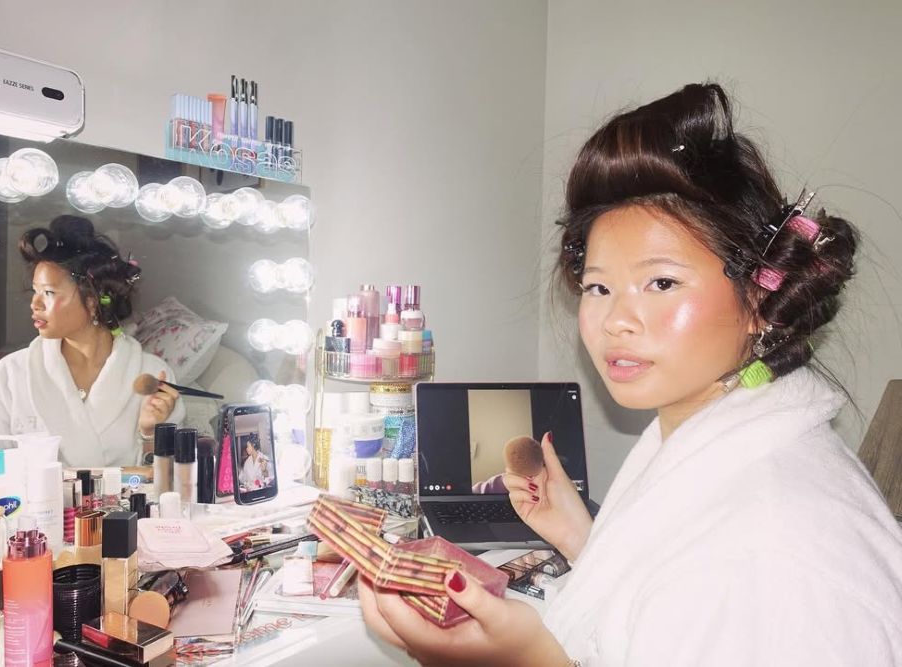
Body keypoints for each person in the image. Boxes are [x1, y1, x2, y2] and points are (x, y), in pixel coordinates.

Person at [359, 83, 902, 665]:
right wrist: (585, 539)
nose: (615, 319)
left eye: (661, 283)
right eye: (598, 287)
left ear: (761, 300)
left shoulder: (773, 553)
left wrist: (524, 661)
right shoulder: (705, 448)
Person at [0, 215, 184, 467]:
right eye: (35, 291)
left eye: (48, 292)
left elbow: (172, 482)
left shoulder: (152, 375)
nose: (35, 303)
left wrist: (150, 433)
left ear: (93, 301)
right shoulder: (11, 373)